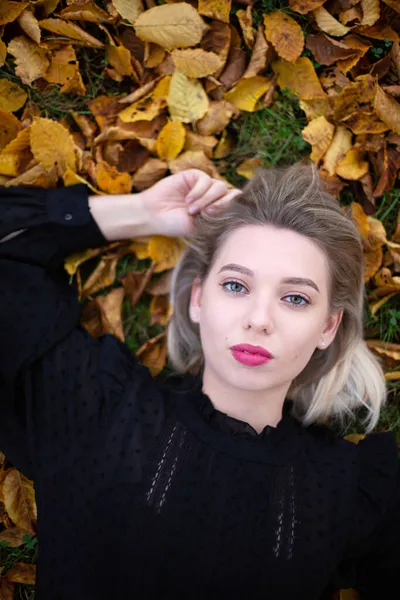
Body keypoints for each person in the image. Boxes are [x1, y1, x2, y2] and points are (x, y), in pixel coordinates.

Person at [0, 162, 398, 600]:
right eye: (235, 286)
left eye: (295, 298)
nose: (259, 320)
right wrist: (143, 213)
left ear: (328, 327)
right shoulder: (93, 404)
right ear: (197, 299)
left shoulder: (350, 491)